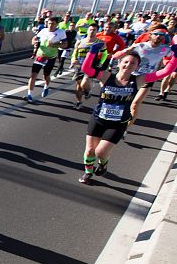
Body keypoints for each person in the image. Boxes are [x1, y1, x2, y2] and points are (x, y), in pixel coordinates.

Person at [77, 44, 177, 184]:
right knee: (89, 151)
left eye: (133, 63)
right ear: (119, 63)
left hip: (118, 123)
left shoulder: (138, 80)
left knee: (100, 152)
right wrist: (93, 51)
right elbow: (86, 69)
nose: (128, 65)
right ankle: (88, 172)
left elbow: (164, 72)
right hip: (98, 118)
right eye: (125, 62)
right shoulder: (106, 76)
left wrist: (175, 57)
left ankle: (103, 163)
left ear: (137, 66)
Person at [113, 25, 171, 126]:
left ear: (164, 37)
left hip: (147, 78)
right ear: (150, 35)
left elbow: (171, 58)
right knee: (121, 101)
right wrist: (121, 63)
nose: (158, 36)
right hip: (133, 76)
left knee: (135, 104)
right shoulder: (140, 46)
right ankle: (115, 119)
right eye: (156, 34)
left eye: (161, 35)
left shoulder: (165, 49)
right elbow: (120, 56)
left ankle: (125, 128)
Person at [28, 16, 68, 102]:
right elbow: (35, 38)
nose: (50, 25)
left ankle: (46, 86)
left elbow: (65, 44)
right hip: (40, 56)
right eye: (49, 23)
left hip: (51, 57)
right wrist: (33, 41)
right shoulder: (43, 31)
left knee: (46, 76)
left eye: (53, 24)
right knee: (33, 75)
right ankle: (29, 95)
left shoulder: (61, 32)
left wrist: (55, 45)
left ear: (57, 24)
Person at [69, 23, 105, 110]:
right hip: (79, 65)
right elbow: (75, 53)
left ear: (97, 31)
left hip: (91, 66)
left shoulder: (100, 43)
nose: (91, 32)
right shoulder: (80, 42)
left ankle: (87, 91)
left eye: (94, 30)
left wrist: (100, 63)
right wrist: (73, 60)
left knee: (84, 81)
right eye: (90, 29)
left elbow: (104, 54)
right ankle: (79, 101)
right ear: (87, 30)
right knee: (78, 86)